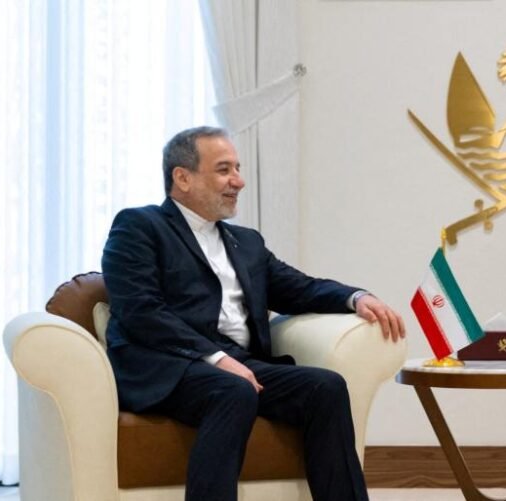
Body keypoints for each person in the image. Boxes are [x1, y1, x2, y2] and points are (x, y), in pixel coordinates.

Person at [101, 126, 405, 501]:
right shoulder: (139, 226)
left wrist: (355, 298)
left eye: (238, 168)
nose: (239, 181)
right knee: (233, 389)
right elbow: (141, 310)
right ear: (183, 178)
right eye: (224, 169)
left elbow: (298, 288)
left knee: (325, 388)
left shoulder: (245, 241)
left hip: (238, 363)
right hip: (167, 365)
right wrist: (215, 357)